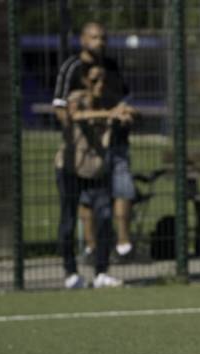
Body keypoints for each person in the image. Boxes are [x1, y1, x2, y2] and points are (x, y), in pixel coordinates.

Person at [53, 21, 138, 263]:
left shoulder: (111, 66)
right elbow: (64, 110)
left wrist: (124, 113)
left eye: (103, 38)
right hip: (84, 148)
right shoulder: (72, 69)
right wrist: (74, 133)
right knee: (85, 202)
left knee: (121, 191)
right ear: (83, 39)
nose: (99, 42)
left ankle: (122, 247)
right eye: (94, 37)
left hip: (113, 142)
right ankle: (87, 253)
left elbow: (123, 99)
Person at [54, 63, 126, 289]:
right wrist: (108, 114)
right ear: (85, 80)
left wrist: (125, 114)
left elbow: (126, 110)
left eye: (103, 79)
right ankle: (71, 273)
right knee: (68, 221)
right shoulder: (77, 97)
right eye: (94, 80)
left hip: (97, 170)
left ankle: (102, 272)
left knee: (105, 218)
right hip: (70, 169)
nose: (100, 85)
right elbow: (74, 114)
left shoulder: (109, 100)